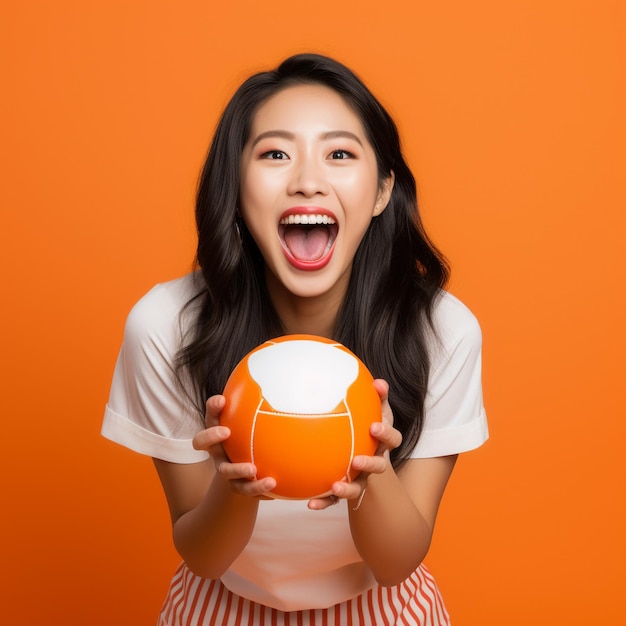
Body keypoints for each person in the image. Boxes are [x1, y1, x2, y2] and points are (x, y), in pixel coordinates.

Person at [102, 53, 488, 625]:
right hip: (219, 607)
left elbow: (398, 560)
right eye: (275, 154)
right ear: (235, 187)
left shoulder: (440, 330)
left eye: (339, 154)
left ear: (383, 191)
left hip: (382, 607)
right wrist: (233, 492)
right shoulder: (166, 325)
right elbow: (203, 556)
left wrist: (371, 481)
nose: (308, 180)